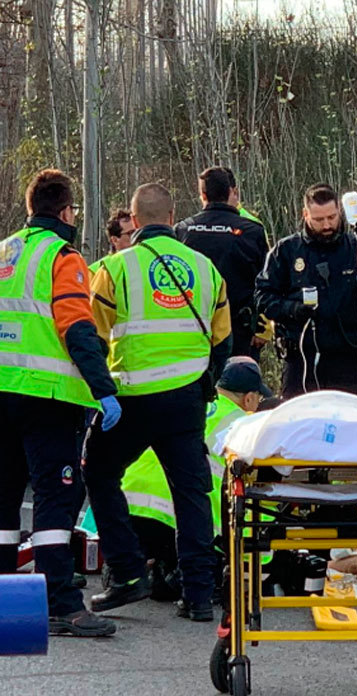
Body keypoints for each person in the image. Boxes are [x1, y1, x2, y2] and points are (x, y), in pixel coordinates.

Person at [0, 169, 120, 637]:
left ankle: (0, 596)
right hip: (43, 393)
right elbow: (76, 326)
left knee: (3, 491)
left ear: (30, 209)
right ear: (66, 212)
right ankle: (60, 602)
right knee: (55, 492)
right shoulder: (62, 258)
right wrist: (102, 386)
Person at [85, 182, 233, 622]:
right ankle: (200, 596)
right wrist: (206, 386)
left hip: (130, 399)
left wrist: (101, 393)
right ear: (172, 218)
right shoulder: (206, 269)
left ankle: (129, 573)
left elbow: (93, 336)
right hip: (185, 399)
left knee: (99, 471)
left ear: (133, 221)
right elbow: (222, 340)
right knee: (190, 494)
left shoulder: (115, 269)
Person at [85, 356, 271, 602]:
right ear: (249, 398)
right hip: (178, 517)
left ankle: (133, 567)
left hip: (129, 505)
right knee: (200, 539)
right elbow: (255, 502)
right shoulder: (247, 425)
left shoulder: (190, 404)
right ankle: (176, 580)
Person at [256, 183, 357, 398]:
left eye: (332, 217)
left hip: (347, 357)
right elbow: (262, 297)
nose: (327, 225)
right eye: (319, 219)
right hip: (301, 358)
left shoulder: (356, 247)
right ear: (305, 214)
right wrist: (292, 309)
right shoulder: (286, 250)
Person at [174, 167, 270, 358]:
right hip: (239, 332)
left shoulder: (182, 230)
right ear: (231, 192)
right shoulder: (252, 231)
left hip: (192, 330)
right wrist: (264, 328)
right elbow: (267, 282)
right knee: (236, 386)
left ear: (202, 195)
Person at [90, 209, 135, 274]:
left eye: (137, 231)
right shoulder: (98, 271)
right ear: (114, 240)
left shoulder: (147, 260)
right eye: (130, 233)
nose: (136, 236)